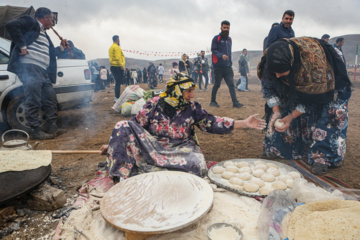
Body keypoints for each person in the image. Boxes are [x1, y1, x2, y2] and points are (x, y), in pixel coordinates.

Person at [100, 73, 266, 182]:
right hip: (152, 147)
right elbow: (134, 126)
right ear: (177, 91)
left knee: (198, 164)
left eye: (192, 91)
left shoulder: (192, 108)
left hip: (180, 149)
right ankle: (122, 178)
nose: (192, 95)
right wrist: (114, 145)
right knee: (122, 125)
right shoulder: (153, 104)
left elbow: (212, 122)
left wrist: (244, 123)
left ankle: (156, 173)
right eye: (188, 91)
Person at [258, 37, 352, 175]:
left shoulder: (314, 65)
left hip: (327, 84)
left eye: (281, 71)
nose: (277, 76)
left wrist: (290, 117)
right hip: (300, 79)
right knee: (286, 103)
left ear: (291, 64)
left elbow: (313, 100)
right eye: (274, 72)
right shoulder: (269, 63)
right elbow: (269, 88)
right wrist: (277, 111)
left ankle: (323, 157)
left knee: (330, 113)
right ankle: (281, 149)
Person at [6, 7, 62, 139]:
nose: (52, 23)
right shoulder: (31, 22)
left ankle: (52, 126)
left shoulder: (43, 33)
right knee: (33, 99)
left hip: (42, 70)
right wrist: (23, 46)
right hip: (30, 67)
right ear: (45, 18)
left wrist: (61, 47)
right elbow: (11, 25)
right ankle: (35, 130)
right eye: (51, 20)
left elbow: (48, 52)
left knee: (50, 98)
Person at [210, 20, 243, 108]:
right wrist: (221, 55)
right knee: (217, 84)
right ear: (221, 28)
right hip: (218, 66)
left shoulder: (229, 39)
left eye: (227, 28)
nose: (226, 29)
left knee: (231, 84)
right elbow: (213, 50)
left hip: (228, 66)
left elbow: (229, 52)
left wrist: (230, 63)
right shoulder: (216, 38)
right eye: (224, 27)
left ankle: (235, 102)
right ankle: (212, 101)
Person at [109, 35, 125, 102]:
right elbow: (118, 57)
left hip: (113, 66)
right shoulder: (116, 47)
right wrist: (121, 65)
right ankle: (117, 97)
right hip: (117, 66)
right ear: (117, 39)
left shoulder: (111, 47)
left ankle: (117, 96)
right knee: (118, 82)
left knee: (117, 82)